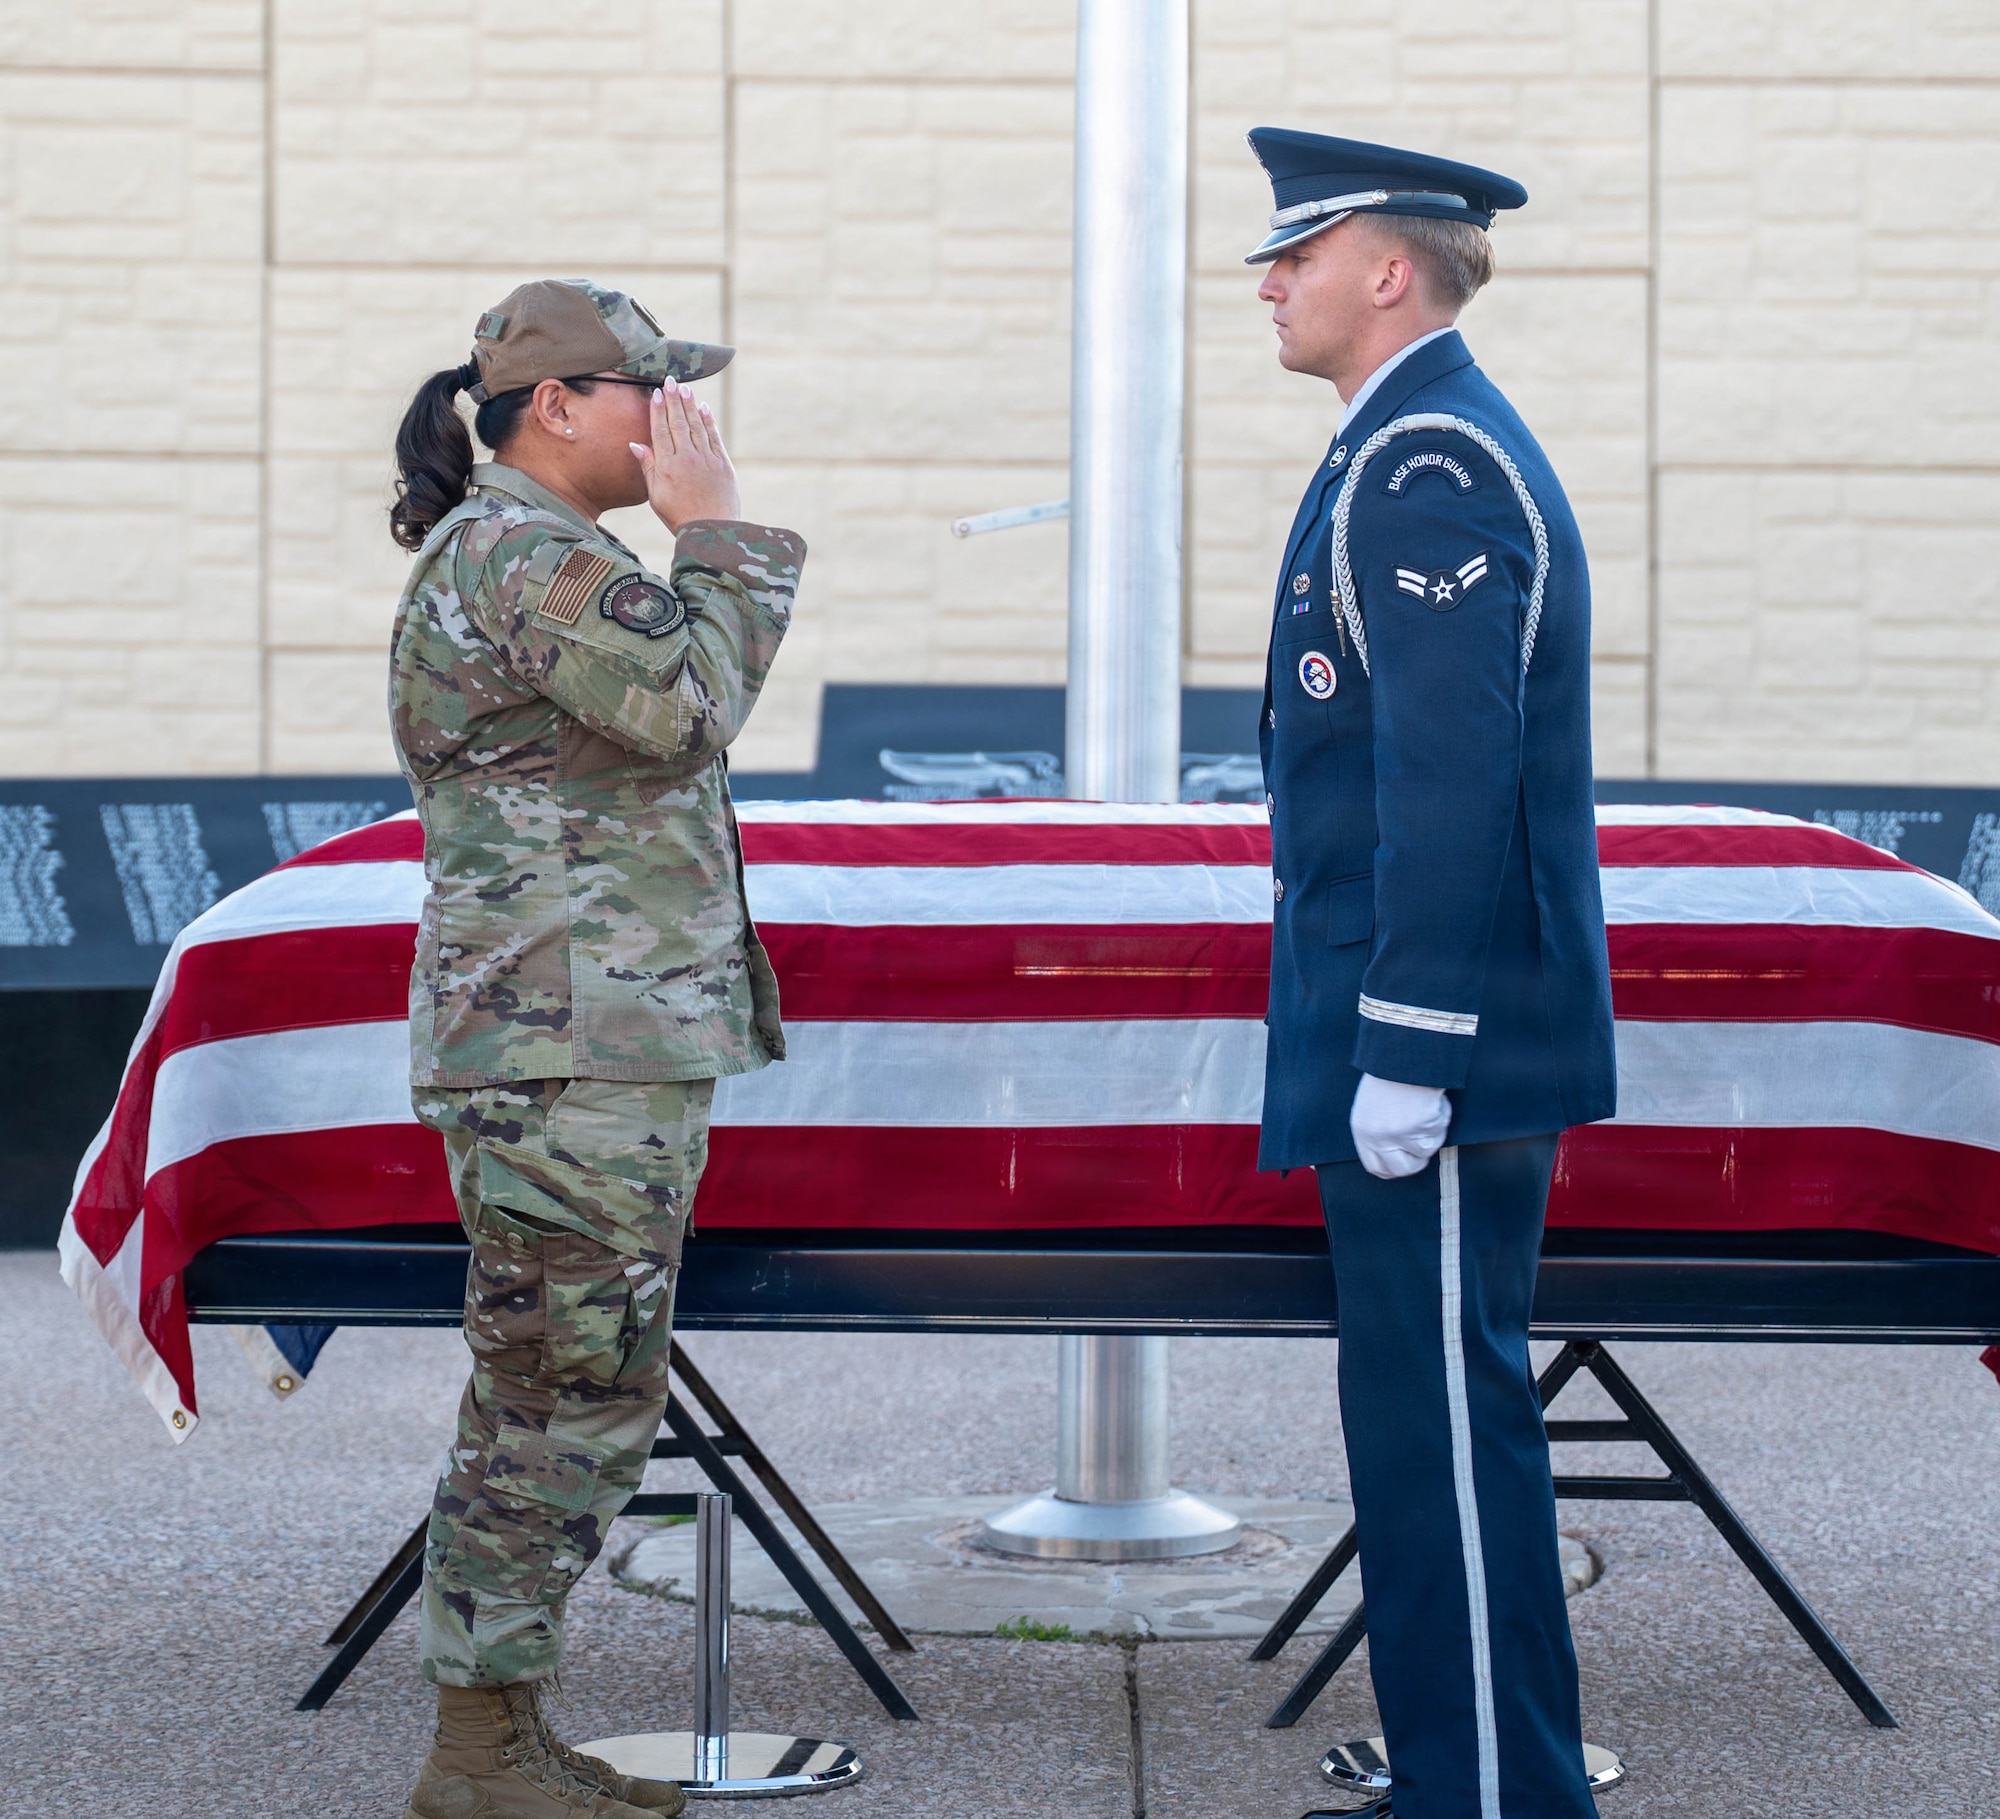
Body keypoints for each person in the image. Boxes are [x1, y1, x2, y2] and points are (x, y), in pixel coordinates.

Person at [385, 278, 806, 1819]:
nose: (678, 415)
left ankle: (498, 1739)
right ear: (556, 405)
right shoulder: (524, 554)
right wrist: (720, 536)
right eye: (650, 387)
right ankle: (479, 1754)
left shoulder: (533, 550)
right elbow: (686, 707)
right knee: (563, 1394)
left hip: (579, 1041)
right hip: (569, 1052)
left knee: (565, 1384)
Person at [1246, 130, 1618, 1819]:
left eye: (1298, 254)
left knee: (1449, 1440)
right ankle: (1463, 1786)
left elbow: (1449, 779)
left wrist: (1409, 1045)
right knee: (1418, 1434)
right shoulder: (1394, 446)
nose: (1271, 283)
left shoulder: (1428, 467)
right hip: (1421, 1026)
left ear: (1387, 269)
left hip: (1441, 1045)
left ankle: (1492, 1804)